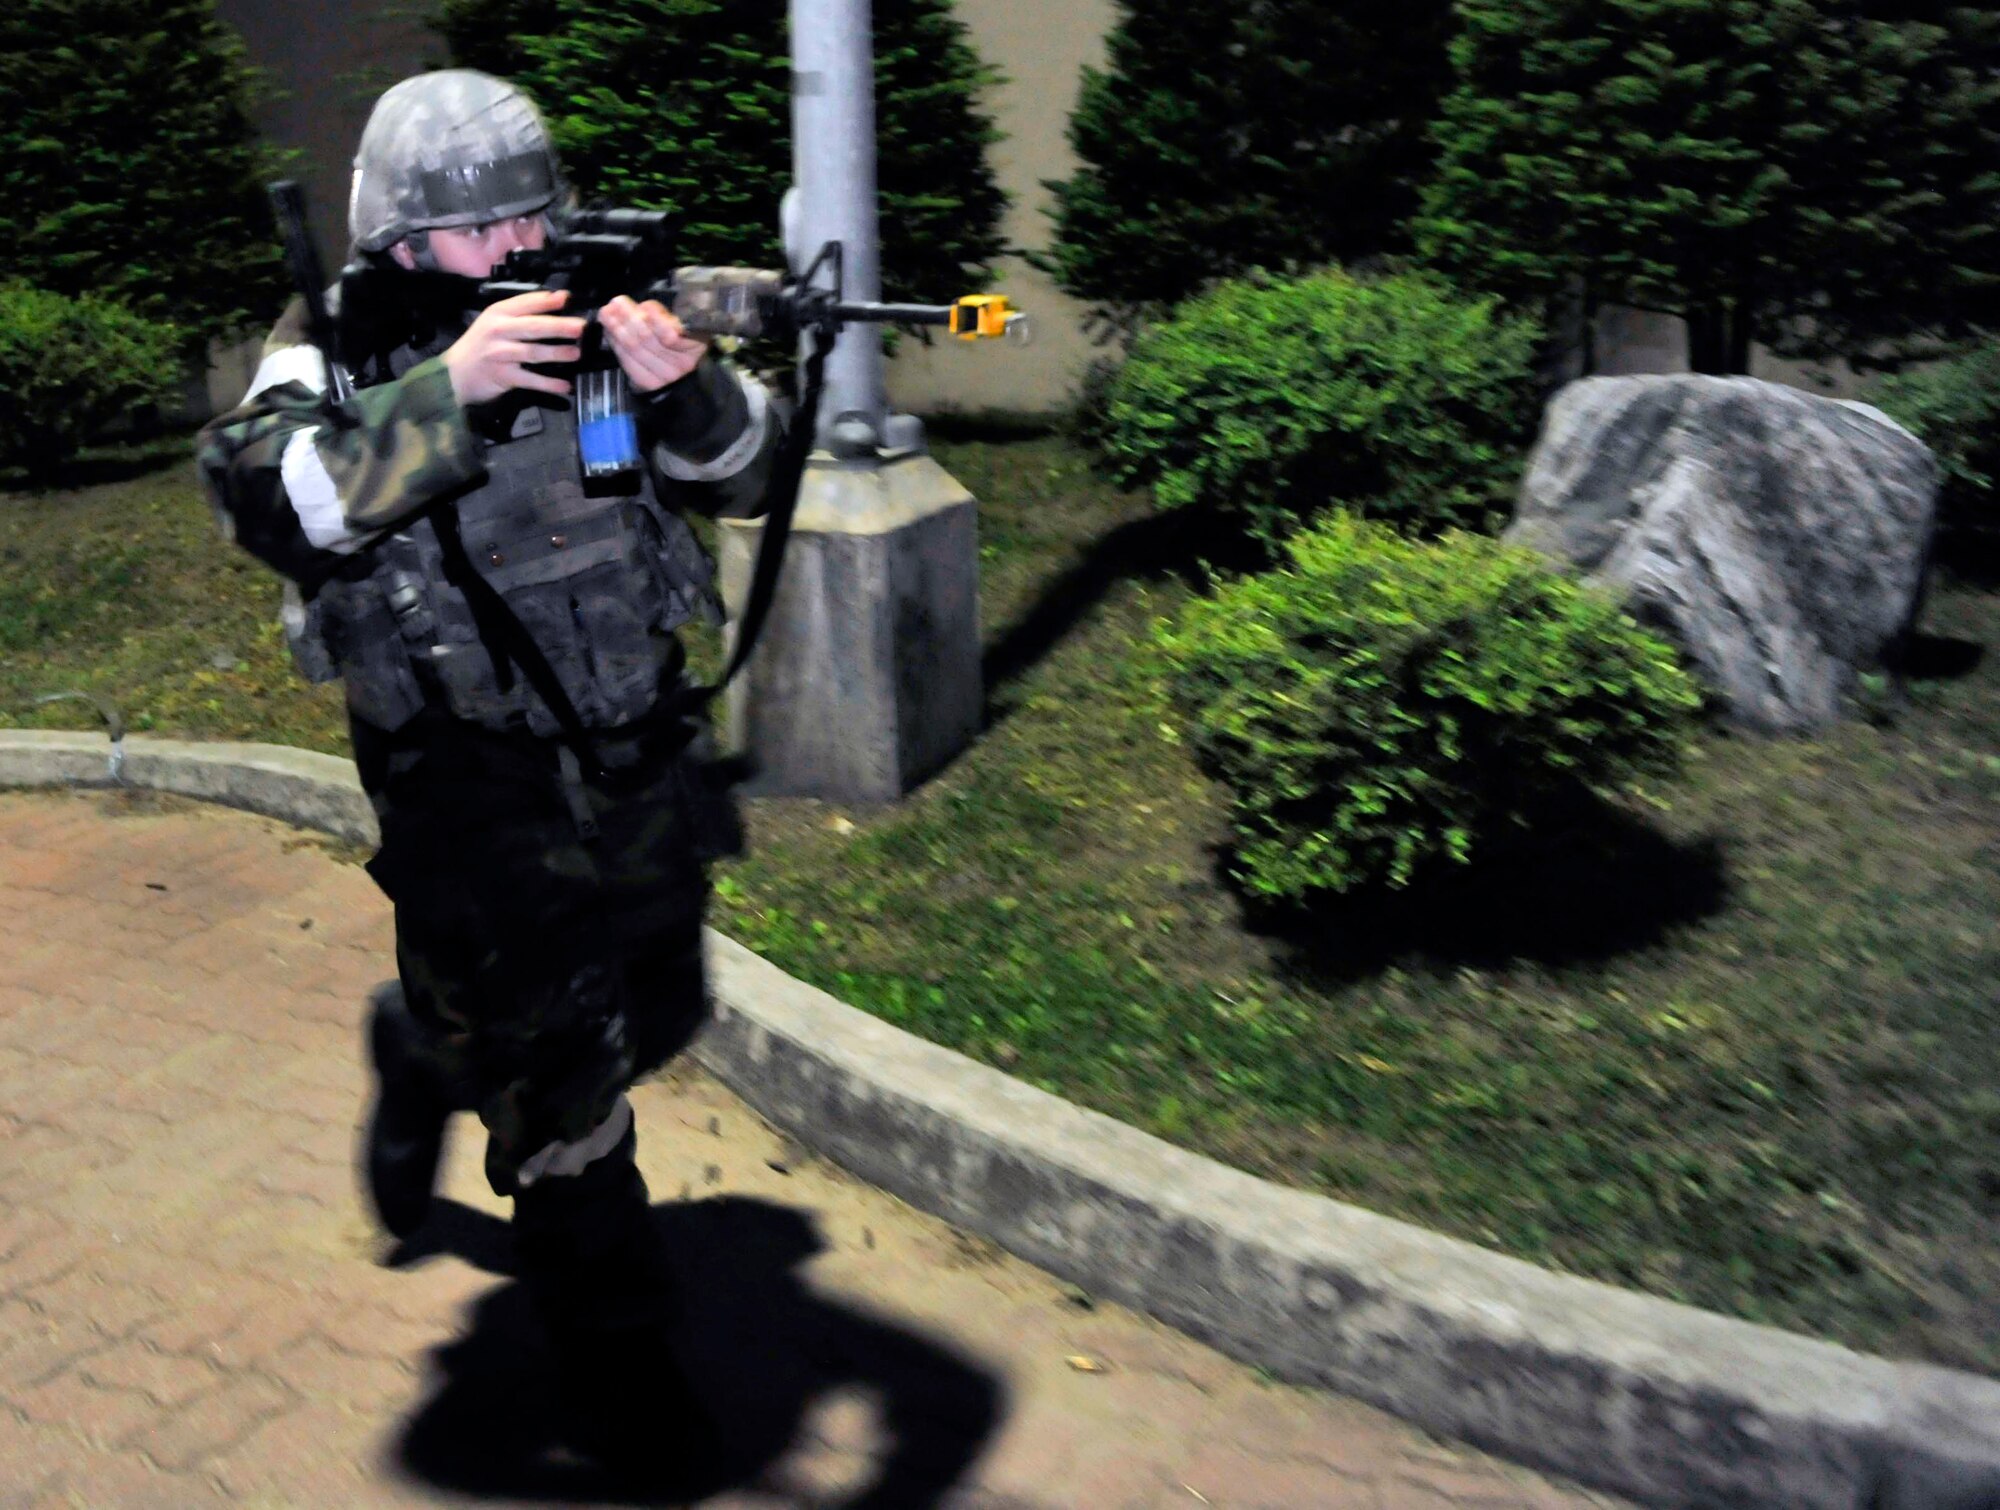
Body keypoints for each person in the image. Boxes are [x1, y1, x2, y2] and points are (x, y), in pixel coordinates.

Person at [196, 69, 784, 1455]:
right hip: (466, 777)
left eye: (536, 214)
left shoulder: (593, 318)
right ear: (401, 240)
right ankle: (625, 1374)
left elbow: (750, 470)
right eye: (482, 230)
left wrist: (688, 397)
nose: (522, 250)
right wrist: (443, 394)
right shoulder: (334, 342)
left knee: (660, 1007)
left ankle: (423, 1050)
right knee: (569, 1078)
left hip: (625, 741)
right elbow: (259, 496)